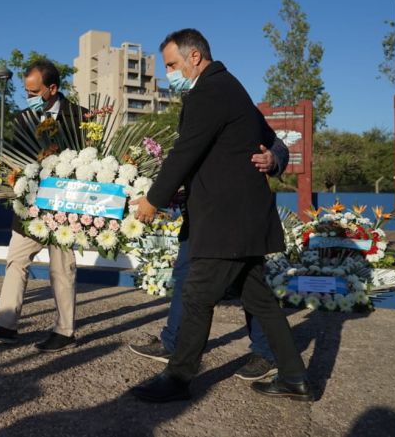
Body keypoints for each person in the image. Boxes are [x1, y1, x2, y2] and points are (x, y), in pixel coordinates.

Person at [129, 29, 311, 402]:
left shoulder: (209, 90)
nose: (169, 74)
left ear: (194, 57)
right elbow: (218, 153)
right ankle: (294, 377)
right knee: (260, 300)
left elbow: (186, 152)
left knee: (197, 296)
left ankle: (177, 379)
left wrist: (153, 199)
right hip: (243, 217)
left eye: (172, 65)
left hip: (227, 220)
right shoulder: (231, 86)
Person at [129, 139, 289, 382]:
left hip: (233, 218)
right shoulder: (196, 111)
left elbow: (276, 143)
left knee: (250, 286)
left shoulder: (231, 106)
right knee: (183, 275)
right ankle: (172, 342)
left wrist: (274, 158)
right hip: (199, 214)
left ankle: (266, 353)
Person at [0, 59, 86, 352]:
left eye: (34, 92)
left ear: (53, 88)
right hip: (30, 205)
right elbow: (16, 157)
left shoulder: (82, 117)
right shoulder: (23, 118)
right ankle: (5, 324)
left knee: (62, 268)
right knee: (16, 260)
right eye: (26, 92)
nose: (29, 98)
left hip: (63, 207)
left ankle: (65, 331)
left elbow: (90, 163)